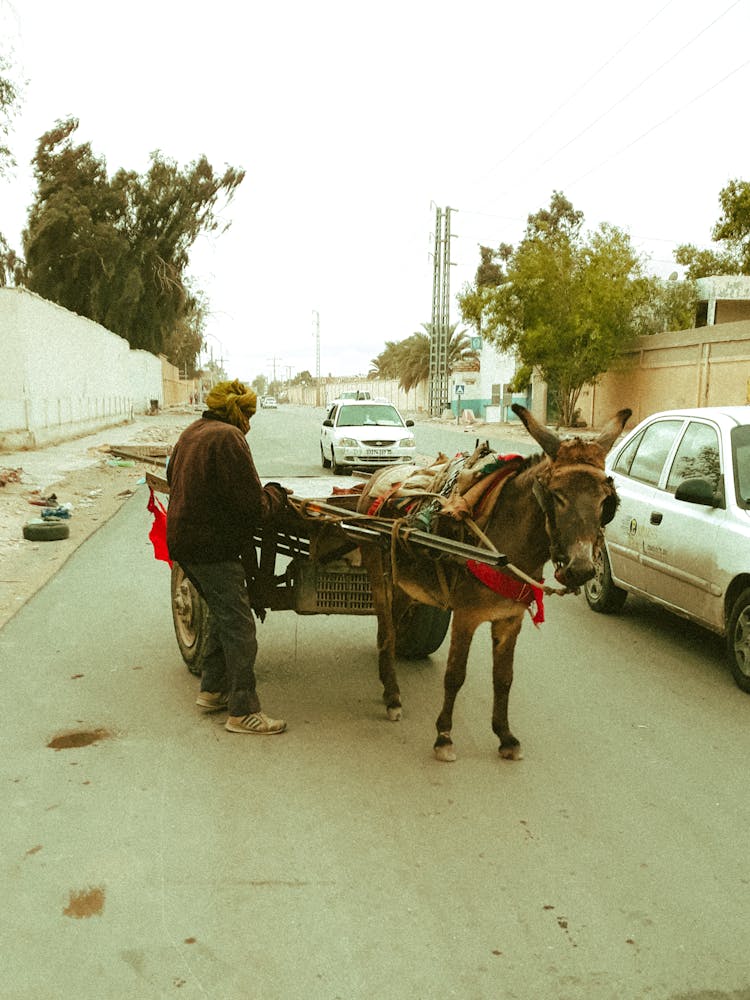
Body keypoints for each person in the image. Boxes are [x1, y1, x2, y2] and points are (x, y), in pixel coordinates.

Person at [166, 379, 289, 734]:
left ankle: (212, 689)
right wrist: (276, 494)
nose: (250, 422)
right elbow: (253, 507)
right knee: (240, 626)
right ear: (240, 412)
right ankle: (243, 711)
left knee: (223, 615)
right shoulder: (229, 438)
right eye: (249, 414)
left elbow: (172, 475)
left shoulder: (193, 430)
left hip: (186, 544)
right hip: (212, 547)